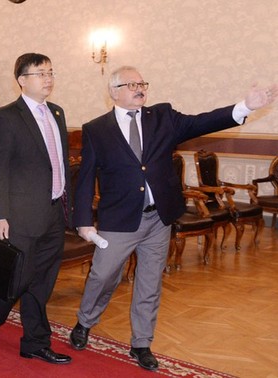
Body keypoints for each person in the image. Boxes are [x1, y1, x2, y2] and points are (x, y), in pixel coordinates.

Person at [70, 66, 277, 371]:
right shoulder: (96, 129)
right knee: (102, 276)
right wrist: (84, 220)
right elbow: (86, 177)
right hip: (119, 219)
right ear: (114, 91)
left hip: (158, 219)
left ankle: (141, 343)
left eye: (143, 83)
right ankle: (84, 322)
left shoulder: (163, 117)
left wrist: (244, 106)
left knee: (150, 283)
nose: (141, 88)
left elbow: (202, 121)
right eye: (132, 84)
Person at [0, 53, 72, 365]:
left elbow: (59, 163)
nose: (48, 78)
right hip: (21, 217)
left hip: (54, 214)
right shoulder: (7, 116)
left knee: (42, 282)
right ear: (22, 80)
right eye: (41, 73)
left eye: (51, 72)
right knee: (17, 280)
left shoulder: (56, 112)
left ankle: (35, 342)